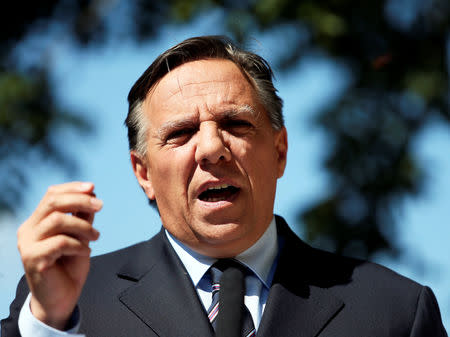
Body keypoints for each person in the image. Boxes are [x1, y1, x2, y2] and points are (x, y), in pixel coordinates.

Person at [1, 36, 447, 337]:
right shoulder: (58, 308)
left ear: (279, 151)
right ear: (143, 173)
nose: (212, 149)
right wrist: (51, 324)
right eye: (180, 133)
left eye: (235, 123)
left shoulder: (396, 311)